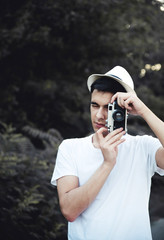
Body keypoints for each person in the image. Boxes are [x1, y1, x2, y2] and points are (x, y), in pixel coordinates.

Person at [51, 66, 164, 240]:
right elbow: (69, 210)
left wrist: (143, 111)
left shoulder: (143, 147)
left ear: (126, 108)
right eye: (94, 105)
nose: (99, 115)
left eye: (108, 108)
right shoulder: (70, 148)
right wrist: (107, 164)